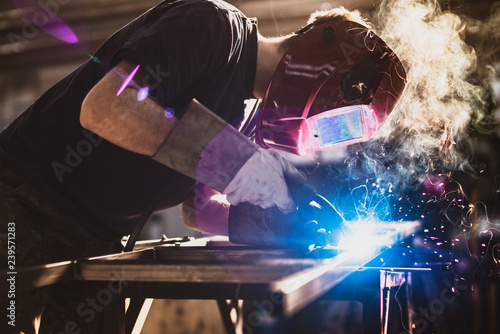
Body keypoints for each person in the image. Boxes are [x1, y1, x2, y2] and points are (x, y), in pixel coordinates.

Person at [0, 0, 405, 332]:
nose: (325, 129)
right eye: (339, 116)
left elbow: (198, 211)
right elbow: (106, 108)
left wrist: (279, 224)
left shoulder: (248, 117)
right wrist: (237, 164)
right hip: (22, 203)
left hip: (96, 239)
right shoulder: (214, 28)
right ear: (329, 60)